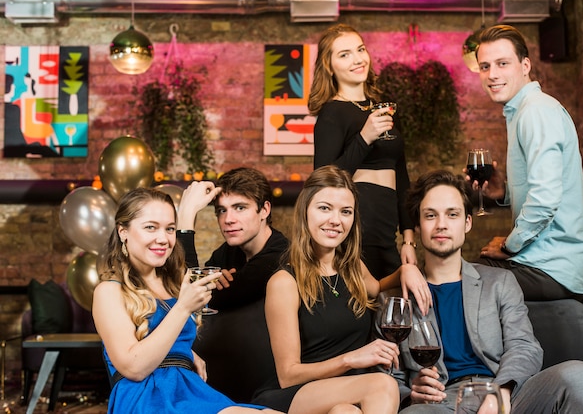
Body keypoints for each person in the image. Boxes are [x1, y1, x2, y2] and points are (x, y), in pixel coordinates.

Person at [396, 169, 583, 413]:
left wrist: (502, 391)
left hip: (507, 392)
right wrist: (411, 394)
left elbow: (524, 347)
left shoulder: (500, 282)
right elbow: (388, 376)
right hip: (441, 404)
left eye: (452, 214)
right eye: (430, 215)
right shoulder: (396, 301)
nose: (441, 224)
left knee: (582, 377)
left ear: (467, 223)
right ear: (418, 225)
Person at [252, 165, 431, 414]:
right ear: (305, 211)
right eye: (324, 208)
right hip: (298, 393)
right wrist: (352, 359)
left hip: (347, 393)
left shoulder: (352, 268)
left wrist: (405, 270)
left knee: (345, 412)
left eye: (345, 211)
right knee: (382, 384)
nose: (335, 220)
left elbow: (377, 286)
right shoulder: (284, 282)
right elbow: (288, 375)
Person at [92, 187, 281, 413]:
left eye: (170, 229)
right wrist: (183, 308)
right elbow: (133, 367)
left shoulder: (173, 283)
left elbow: (162, 333)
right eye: (150, 227)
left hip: (189, 388)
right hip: (148, 396)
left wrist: (185, 352)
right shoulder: (109, 291)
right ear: (124, 231)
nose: (163, 239)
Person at [472, 24, 583, 301]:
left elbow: (546, 199)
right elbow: (546, 187)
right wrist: (503, 193)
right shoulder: (521, 111)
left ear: (525, 65)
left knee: (462, 281)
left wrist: (509, 245)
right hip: (542, 262)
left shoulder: (536, 111)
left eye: (503, 64)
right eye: (485, 66)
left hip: (553, 268)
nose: (492, 75)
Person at [309, 24, 418, 281]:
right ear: (329, 66)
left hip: (387, 229)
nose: (358, 59)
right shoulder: (332, 113)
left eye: (360, 50)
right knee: (363, 308)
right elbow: (323, 183)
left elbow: (401, 176)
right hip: (356, 228)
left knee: (395, 310)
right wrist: (364, 138)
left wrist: (409, 238)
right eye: (344, 54)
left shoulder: (385, 108)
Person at [176, 167, 289, 310]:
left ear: (264, 210)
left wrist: (186, 217)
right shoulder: (227, 252)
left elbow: (196, 301)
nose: (228, 219)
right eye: (222, 210)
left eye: (240, 208)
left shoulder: (280, 257)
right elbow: (183, 291)